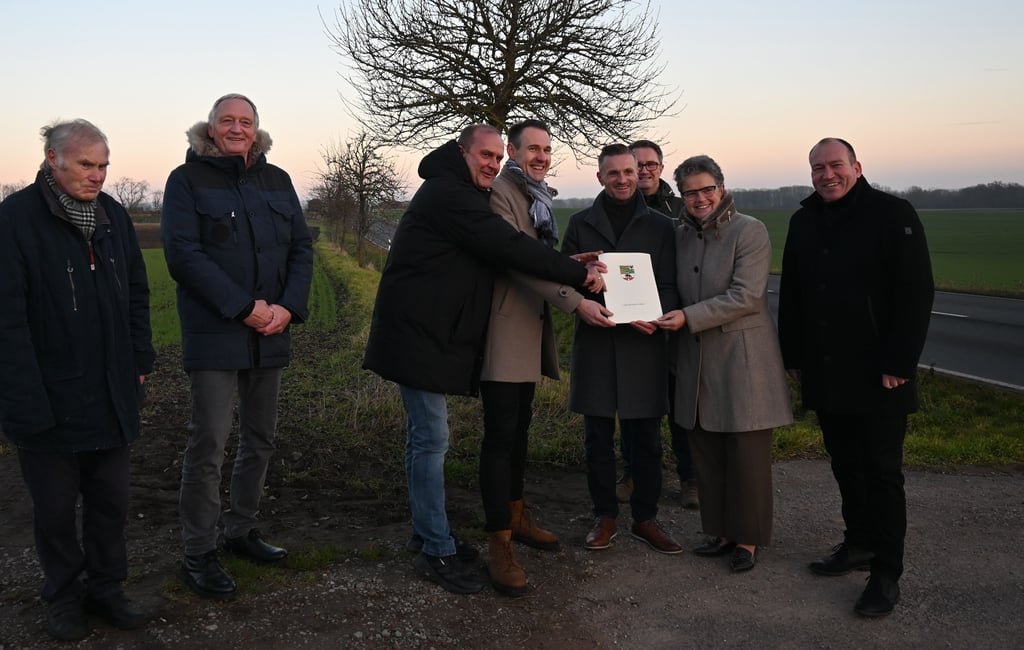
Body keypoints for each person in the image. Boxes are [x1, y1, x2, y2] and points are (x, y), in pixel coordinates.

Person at [363, 124, 604, 596]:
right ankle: (436, 547)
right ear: (462, 152)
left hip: (427, 331)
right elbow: (507, 247)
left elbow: (501, 251)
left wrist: (565, 263)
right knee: (430, 439)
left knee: (425, 439)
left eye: (497, 158)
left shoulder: (459, 191)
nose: (492, 165)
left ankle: (427, 533)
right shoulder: (449, 194)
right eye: (487, 156)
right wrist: (575, 274)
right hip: (419, 334)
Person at [0, 119, 154, 640]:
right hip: (50, 396)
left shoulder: (112, 215)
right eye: (87, 165)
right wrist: (24, 403)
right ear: (53, 159)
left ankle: (107, 590)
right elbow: (7, 322)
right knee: (56, 511)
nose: (97, 176)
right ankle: (63, 597)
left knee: (111, 504)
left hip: (111, 392)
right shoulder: (15, 220)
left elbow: (137, 291)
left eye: (104, 165)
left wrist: (139, 361)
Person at [161, 94, 314, 599]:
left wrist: (287, 308)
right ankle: (198, 551)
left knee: (260, 438)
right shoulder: (187, 180)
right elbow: (183, 255)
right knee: (208, 443)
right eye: (227, 120)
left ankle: (241, 529)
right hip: (216, 332)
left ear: (257, 129)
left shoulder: (278, 180)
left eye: (245, 121)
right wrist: (243, 307)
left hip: (271, 330)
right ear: (210, 126)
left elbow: (300, 248)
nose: (236, 128)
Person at [778, 138, 934, 617]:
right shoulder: (803, 221)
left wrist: (899, 364)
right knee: (845, 465)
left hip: (879, 373)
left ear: (857, 167)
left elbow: (915, 292)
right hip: (827, 370)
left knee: (882, 473)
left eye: (835, 165)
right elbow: (794, 294)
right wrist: (794, 355)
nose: (827, 174)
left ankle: (886, 575)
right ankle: (859, 542)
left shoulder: (892, 213)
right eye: (818, 168)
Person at [480, 120, 613, 596]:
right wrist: (576, 296)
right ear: (511, 152)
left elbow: (537, 255)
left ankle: (516, 517)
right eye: (531, 148)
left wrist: (571, 264)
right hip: (503, 331)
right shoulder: (502, 193)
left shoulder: (534, 195)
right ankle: (498, 542)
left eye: (546, 149)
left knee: (519, 431)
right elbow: (515, 261)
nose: (541, 156)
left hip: (527, 329)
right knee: (500, 438)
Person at [654, 155, 792, 573]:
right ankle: (722, 532)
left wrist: (686, 318)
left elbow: (746, 296)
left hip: (742, 360)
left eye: (706, 189)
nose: (699, 198)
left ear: (722, 187)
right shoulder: (677, 235)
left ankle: (748, 539)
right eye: (690, 191)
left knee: (746, 454)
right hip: (694, 360)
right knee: (707, 451)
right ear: (680, 195)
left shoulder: (749, 230)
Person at [562, 143, 681, 554]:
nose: (622, 179)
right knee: (597, 436)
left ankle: (645, 518)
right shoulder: (579, 223)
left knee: (646, 436)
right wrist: (583, 289)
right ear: (600, 177)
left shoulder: (663, 226)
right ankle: (605, 516)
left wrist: (659, 312)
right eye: (613, 173)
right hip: (596, 341)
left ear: (640, 174)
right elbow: (564, 275)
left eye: (629, 172)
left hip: (643, 343)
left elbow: (668, 282)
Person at [624, 139, 699, 511]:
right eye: (636, 164)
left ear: (661, 166)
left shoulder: (679, 207)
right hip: (634, 319)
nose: (643, 170)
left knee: (679, 401)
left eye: (650, 164)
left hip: (673, 316)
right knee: (635, 404)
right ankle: (632, 473)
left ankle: (690, 478)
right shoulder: (619, 206)